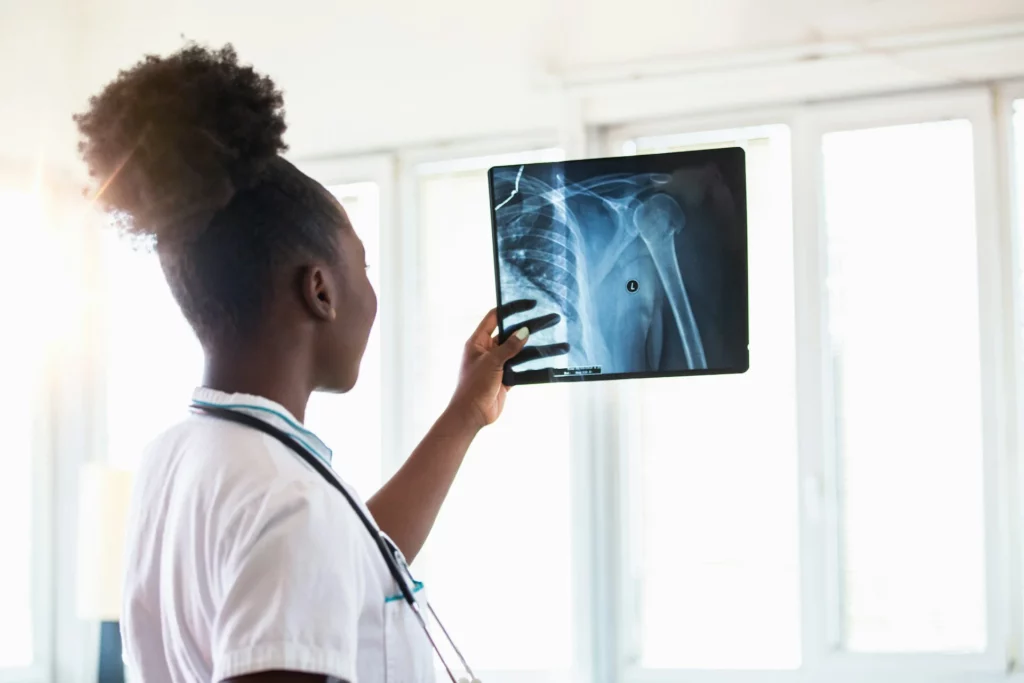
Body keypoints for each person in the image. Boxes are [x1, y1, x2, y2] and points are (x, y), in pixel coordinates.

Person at [75, 43, 562, 683]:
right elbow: (306, 538)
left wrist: (463, 416)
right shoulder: (287, 497)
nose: (370, 291)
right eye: (361, 266)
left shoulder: (183, 453)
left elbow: (345, 561)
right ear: (320, 291)